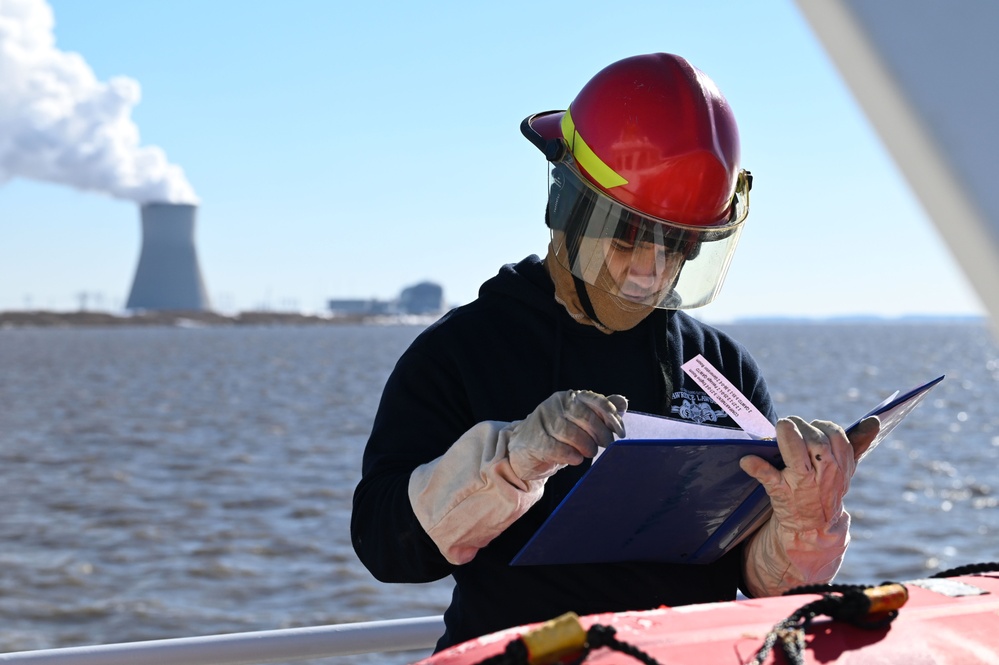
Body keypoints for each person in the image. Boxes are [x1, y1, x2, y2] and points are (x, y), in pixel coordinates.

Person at [350, 52, 880, 652]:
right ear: (566, 204)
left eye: (680, 244)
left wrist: (803, 524)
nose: (651, 272)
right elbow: (384, 547)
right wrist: (510, 462)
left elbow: (756, 581)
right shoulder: (460, 353)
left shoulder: (721, 369)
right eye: (629, 237)